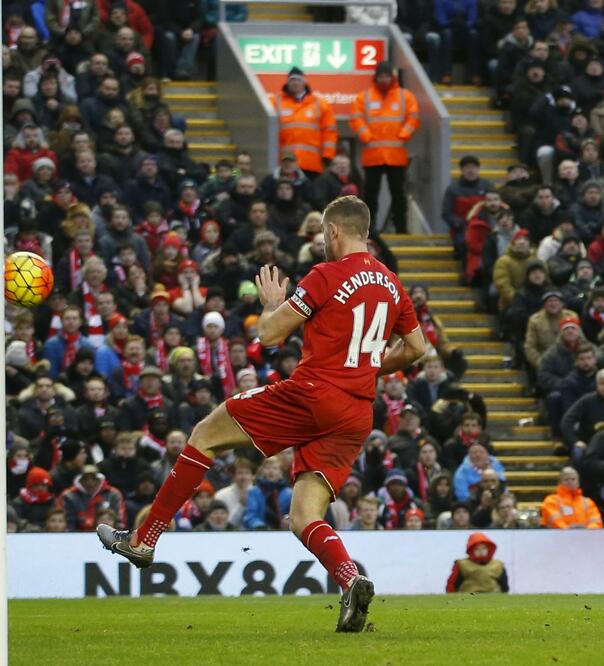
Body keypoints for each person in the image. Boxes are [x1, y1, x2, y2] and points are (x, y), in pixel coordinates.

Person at [97, 196, 427, 632]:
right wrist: (366, 367)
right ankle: (351, 580)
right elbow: (417, 347)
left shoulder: (326, 274)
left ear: (333, 231)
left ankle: (144, 538)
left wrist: (273, 303)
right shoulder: (392, 284)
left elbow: (269, 335)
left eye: (322, 234)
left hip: (315, 395)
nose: (322, 242)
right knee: (304, 516)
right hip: (357, 412)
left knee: (205, 434)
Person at [350, 62, 420, 234]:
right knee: (370, 194)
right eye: (380, 76)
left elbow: (414, 117)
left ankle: (401, 228)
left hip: (396, 156)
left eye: (386, 76)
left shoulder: (405, 96)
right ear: (375, 78)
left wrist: (403, 134)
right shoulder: (364, 97)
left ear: (392, 77)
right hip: (373, 155)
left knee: (398, 194)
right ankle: (370, 229)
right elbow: (356, 119)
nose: (383, 79)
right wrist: (367, 136)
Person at [268, 69, 337, 178]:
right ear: (287, 83)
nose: (295, 82)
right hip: (286, 164)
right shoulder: (275, 101)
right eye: (292, 79)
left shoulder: (320, 104)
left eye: (298, 79)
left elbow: (329, 131)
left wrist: (328, 155)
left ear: (305, 82)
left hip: (311, 164)